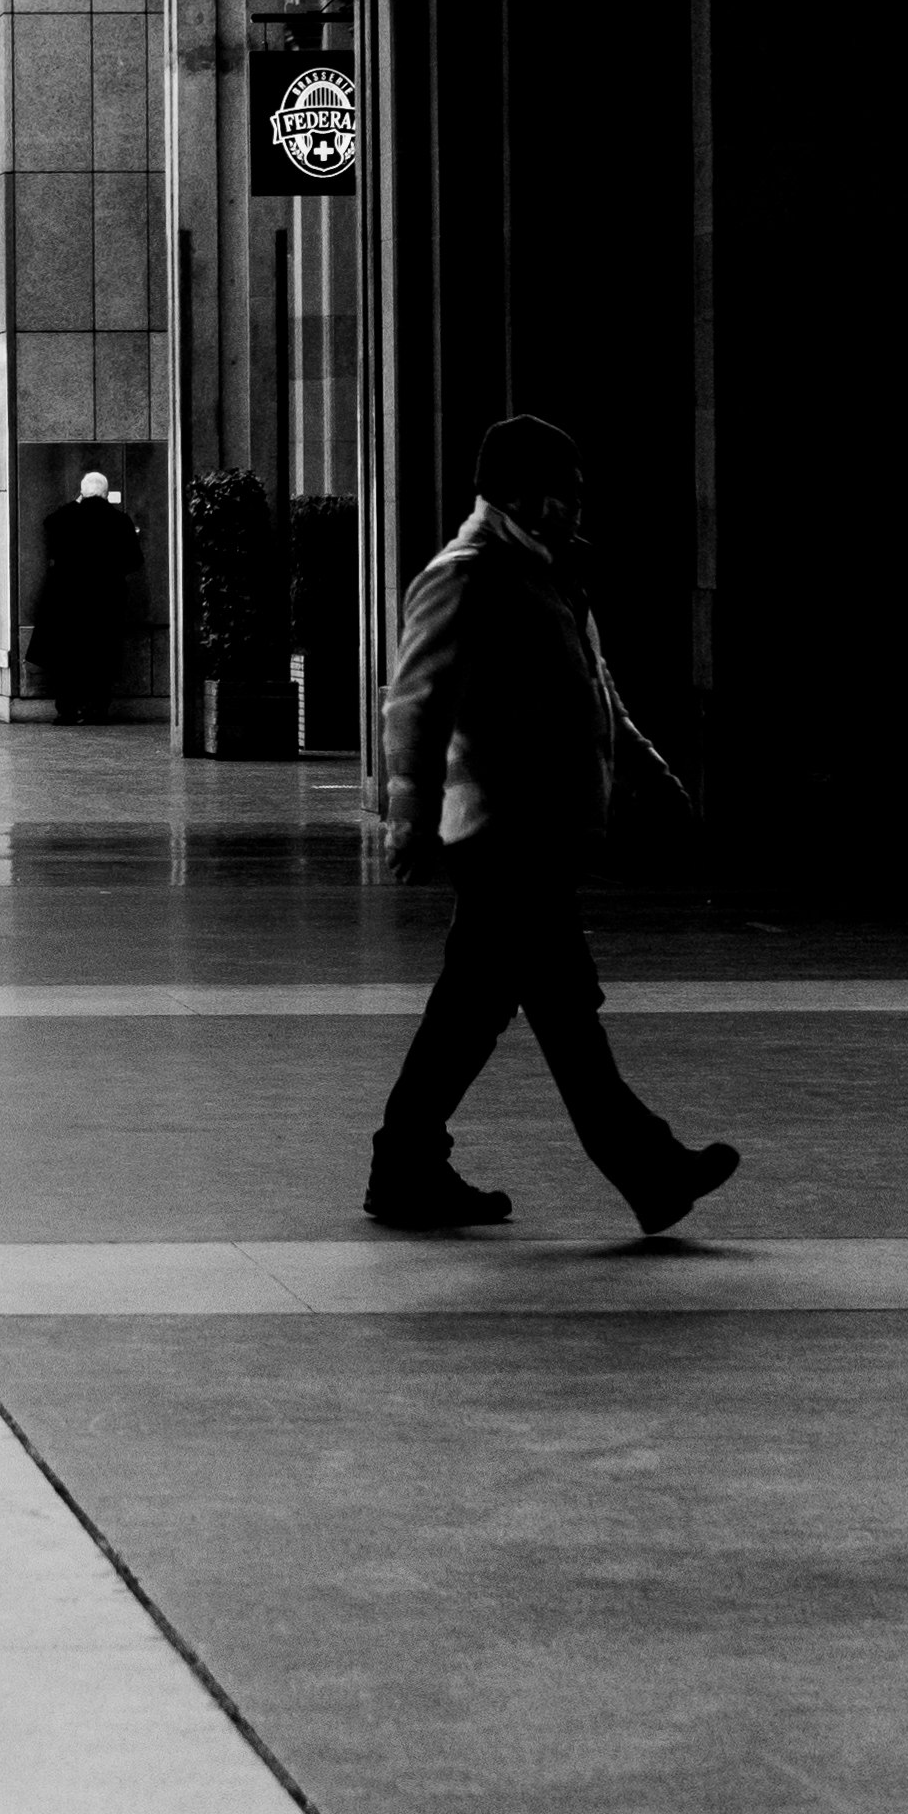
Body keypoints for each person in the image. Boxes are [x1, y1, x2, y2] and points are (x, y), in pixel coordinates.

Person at [366, 411, 741, 1240]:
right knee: (563, 1007)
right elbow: (413, 703)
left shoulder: (550, 575)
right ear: (519, 493)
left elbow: (595, 692)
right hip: (499, 832)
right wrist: (408, 820)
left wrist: (646, 767)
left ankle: (405, 1164)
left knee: (475, 1004)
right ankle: (649, 1169)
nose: (575, 507)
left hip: (535, 830)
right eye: (564, 492)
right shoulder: (464, 574)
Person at [27, 465, 145, 724]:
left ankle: (67, 711)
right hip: (105, 600)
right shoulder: (120, 520)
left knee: (67, 657)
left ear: (82, 493)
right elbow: (134, 561)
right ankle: (96, 710)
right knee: (101, 656)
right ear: (105, 494)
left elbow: (49, 522)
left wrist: (76, 501)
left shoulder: (66, 517)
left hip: (67, 600)